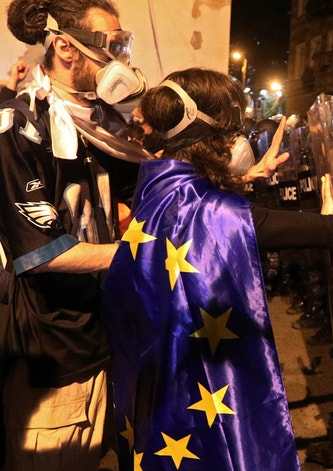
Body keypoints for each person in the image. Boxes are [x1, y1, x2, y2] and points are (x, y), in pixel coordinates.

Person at [99, 68, 333, 471]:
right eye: (234, 128)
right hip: (200, 395)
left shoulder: (156, 187)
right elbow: (330, 231)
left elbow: (208, 205)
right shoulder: (217, 212)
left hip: (161, 387)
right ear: (216, 134)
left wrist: (251, 179)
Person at [0, 0, 149, 469]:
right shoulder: (17, 125)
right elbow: (42, 252)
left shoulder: (100, 124)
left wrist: (233, 185)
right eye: (113, 45)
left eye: (124, 45)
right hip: (56, 358)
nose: (121, 61)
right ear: (66, 47)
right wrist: (139, 254)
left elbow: (154, 190)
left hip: (107, 341)